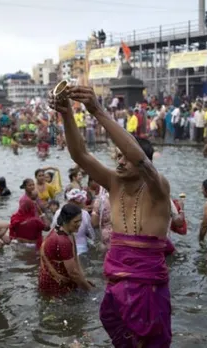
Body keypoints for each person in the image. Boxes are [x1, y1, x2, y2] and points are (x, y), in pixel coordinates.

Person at [50, 85, 172, 347]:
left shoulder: (158, 187)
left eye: (124, 157)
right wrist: (67, 114)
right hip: (116, 282)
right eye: (117, 157)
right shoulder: (113, 184)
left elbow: (139, 160)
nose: (119, 162)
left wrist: (97, 110)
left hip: (147, 288)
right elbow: (80, 155)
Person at [39, 203, 94, 297]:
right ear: (65, 221)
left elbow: (75, 259)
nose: (79, 224)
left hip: (53, 279)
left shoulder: (60, 229)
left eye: (80, 221)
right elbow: (73, 274)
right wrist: (90, 290)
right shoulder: (63, 240)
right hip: (55, 287)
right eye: (75, 222)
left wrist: (83, 279)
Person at [51, 188, 94, 255]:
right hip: (81, 248)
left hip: (63, 247)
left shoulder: (58, 213)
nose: (83, 203)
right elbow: (90, 232)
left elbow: (53, 229)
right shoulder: (85, 214)